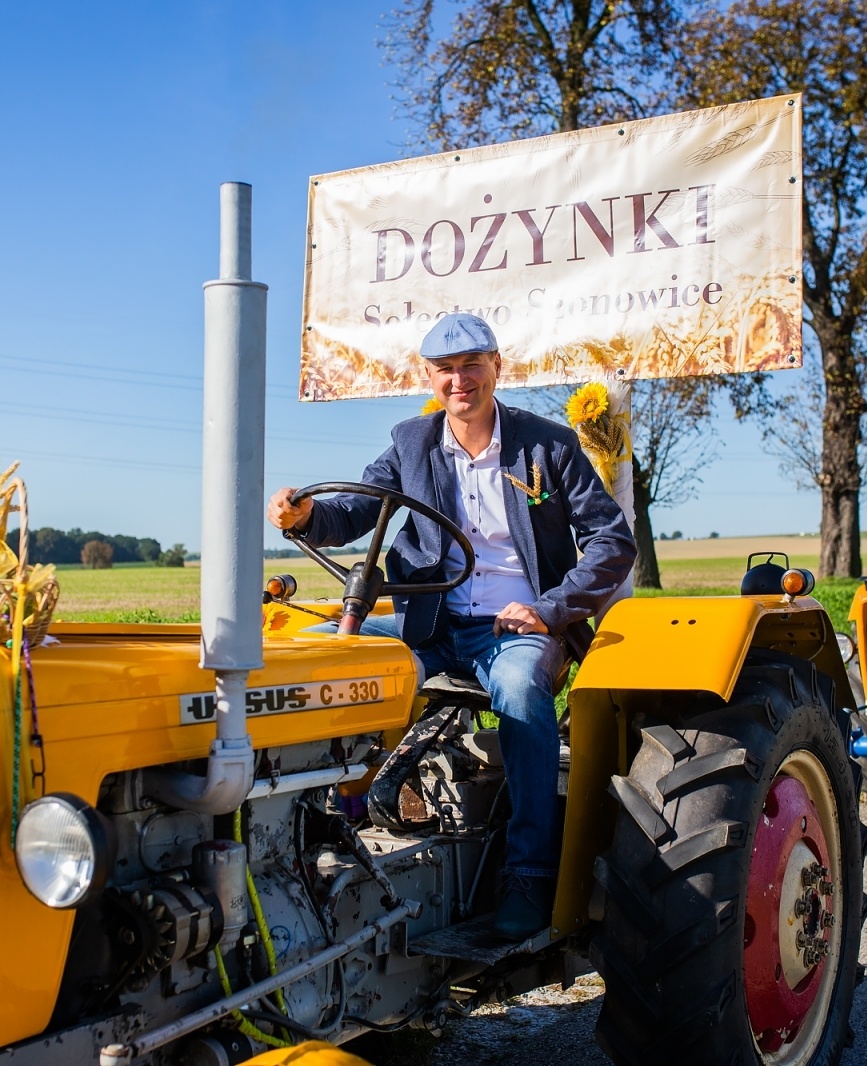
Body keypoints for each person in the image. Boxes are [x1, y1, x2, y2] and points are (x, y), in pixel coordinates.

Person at [267, 312, 635, 940]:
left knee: (520, 695)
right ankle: (324, 833)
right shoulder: (412, 444)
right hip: (429, 624)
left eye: (472, 366)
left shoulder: (545, 445)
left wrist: (549, 610)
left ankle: (529, 875)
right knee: (321, 663)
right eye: (446, 370)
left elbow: (610, 539)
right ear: (430, 378)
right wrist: (306, 517)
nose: (459, 380)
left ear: (498, 367)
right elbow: (358, 507)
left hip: (514, 628)